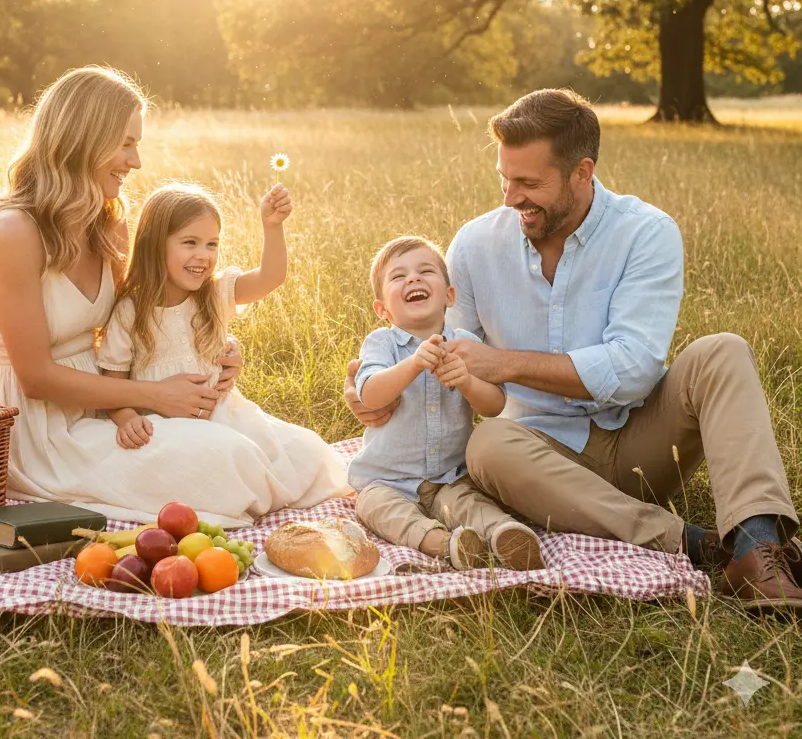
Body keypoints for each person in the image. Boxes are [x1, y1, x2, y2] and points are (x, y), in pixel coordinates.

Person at [345, 89, 801, 610]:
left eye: (529, 183)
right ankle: (697, 543)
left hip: (641, 440)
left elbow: (632, 370)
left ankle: (758, 543)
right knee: (487, 445)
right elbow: (442, 351)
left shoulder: (646, 233)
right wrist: (365, 383)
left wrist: (507, 363)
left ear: (582, 173)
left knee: (723, 351)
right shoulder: (474, 244)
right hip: (536, 457)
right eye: (505, 178)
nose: (511, 197)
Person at [0, 66, 318, 525]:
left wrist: (214, 350)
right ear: (84, 138)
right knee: (231, 459)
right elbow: (35, 377)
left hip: (108, 404)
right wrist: (154, 396)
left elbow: (144, 316)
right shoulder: (13, 232)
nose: (136, 162)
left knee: (297, 451)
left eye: (138, 144)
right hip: (34, 426)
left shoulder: (107, 221)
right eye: (126, 143)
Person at [95, 183, 348, 516]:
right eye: (190, 243)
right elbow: (114, 383)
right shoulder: (131, 311)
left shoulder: (213, 294)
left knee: (308, 451)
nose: (204, 255)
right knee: (227, 463)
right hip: (169, 430)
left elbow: (270, 278)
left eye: (212, 244)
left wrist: (272, 227)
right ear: (155, 246)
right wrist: (126, 417)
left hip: (228, 415)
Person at [348, 236, 545, 571]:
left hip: (450, 476)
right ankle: (443, 543)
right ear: (382, 309)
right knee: (375, 507)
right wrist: (412, 365)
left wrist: (467, 381)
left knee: (469, 504)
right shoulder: (381, 343)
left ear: (449, 296)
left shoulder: (465, 344)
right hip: (388, 478)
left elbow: (494, 405)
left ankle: (505, 535)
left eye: (426, 271)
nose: (413, 278)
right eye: (399, 276)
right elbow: (371, 393)